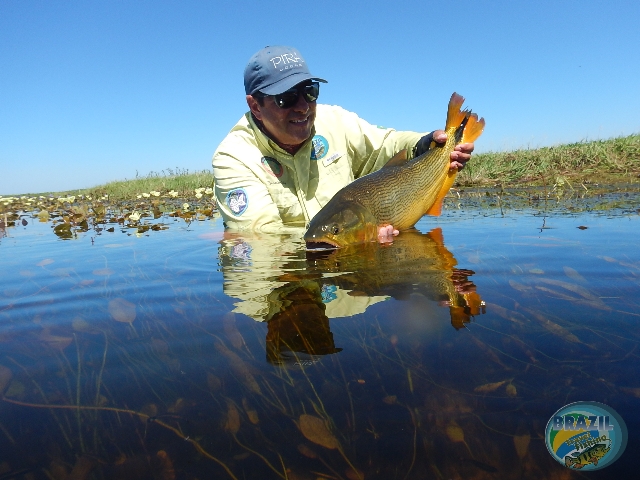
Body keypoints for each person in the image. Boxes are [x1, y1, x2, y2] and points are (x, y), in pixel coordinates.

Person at [212, 45, 475, 241]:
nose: (303, 107)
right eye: (287, 98)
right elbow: (262, 241)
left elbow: (386, 143)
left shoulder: (335, 120)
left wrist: (425, 144)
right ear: (255, 106)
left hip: (349, 301)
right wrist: (353, 240)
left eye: (309, 92)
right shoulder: (234, 157)